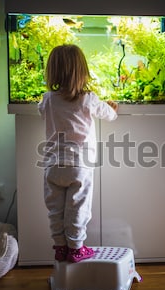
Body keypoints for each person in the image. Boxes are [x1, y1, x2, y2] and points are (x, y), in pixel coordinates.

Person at [38, 44, 118, 263]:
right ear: (82, 72)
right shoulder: (88, 99)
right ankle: (76, 248)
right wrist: (111, 107)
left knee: (55, 209)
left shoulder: (48, 99)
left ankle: (60, 247)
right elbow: (109, 115)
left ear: (52, 72)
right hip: (79, 165)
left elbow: (40, 109)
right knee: (78, 207)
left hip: (52, 165)